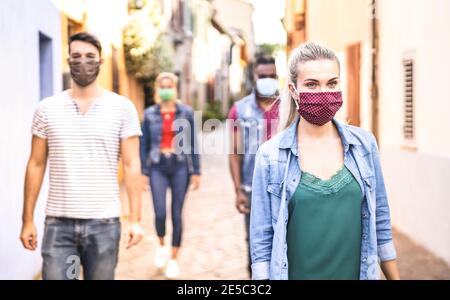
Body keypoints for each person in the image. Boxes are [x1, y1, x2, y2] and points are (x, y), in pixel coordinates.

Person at [250, 42, 400, 280]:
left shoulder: (364, 145)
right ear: (293, 89)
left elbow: (380, 219)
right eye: (311, 84)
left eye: (332, 83)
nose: (323, 92)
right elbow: (262, 241)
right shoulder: (271, 156)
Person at [20, 32, 144, 280]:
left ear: (100, 62)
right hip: (58, 224)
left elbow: (131, 165)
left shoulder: (122, 108)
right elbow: (35, 163)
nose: (82, 62)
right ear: (68, 60)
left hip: (104, 224)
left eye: (90, 56)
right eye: (76, 56)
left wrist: (135, 219)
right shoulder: (46, 109)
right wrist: (27, 220)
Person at [140, 72, 201, 279]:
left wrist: (197, 171)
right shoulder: (149, 114)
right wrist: (143, 172)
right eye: (162, 86)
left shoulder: (186, 112)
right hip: (157, 166)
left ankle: (174, 259)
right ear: (158, 89)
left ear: (175, 89)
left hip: (180, 166)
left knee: (176, 213)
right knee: (159, 212)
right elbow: (144, 145)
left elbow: (193, 143)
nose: (166, 90)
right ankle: (161, 244)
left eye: (170, 86)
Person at [228, 55, 279, 276]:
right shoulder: (239, 110)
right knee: (255, 245)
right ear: (254, 77)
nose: (267, 79)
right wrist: (238, 190)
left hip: (285, 186)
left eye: (272, 76)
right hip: (251, 189)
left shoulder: (290, 107)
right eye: (262, 76)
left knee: (286, 242)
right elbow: (234, 153)